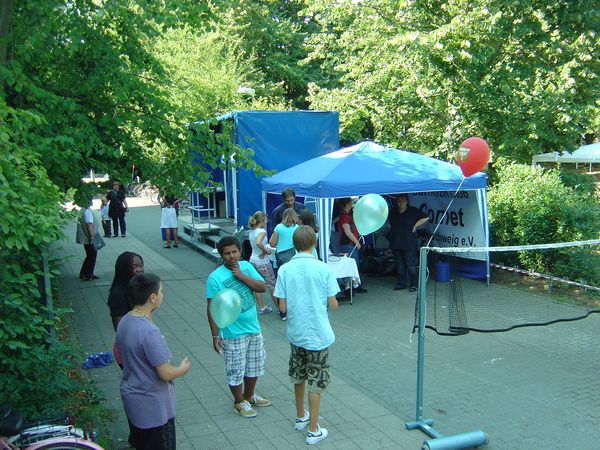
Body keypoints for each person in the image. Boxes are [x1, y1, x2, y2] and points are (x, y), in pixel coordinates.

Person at [274, 226, 339, 445]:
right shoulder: (323, 268)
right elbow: (333, 304)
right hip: (318, 334)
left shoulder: (284, 269)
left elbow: (282, 307)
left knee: (298, 375)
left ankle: (301, 416)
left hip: (296, 332)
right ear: (314, 243)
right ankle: (313, 430)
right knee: (316, 380)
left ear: (294, 244)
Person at [116, 273, 190, 450]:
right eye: (162, 291)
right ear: (153, 297)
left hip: (133, 399)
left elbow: (118, 354)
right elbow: (165, 373)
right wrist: (182, 368)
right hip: (153, 407)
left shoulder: (125, 320)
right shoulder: (149, 331)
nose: (163, 295)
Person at [205, 236, 271, 419]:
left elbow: (262, 287)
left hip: (253, 328)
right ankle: (238, 401)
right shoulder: (214, 278)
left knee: (255, 365)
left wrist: (241, 276)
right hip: (232, 332)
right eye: (227, 253)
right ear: (221, 255)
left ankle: (249, 395)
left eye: (234, 252)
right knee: (235, 369)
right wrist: (214, 335)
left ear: (239, 251)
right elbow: (211, 308)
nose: (232, 256)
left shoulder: (247, 267)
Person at [388, 194, 429, 292]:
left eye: (402, 200)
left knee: (411, 265)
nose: (400, 202)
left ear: (406, 201)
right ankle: (401, 283)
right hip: (396, 243)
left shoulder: (413, 211)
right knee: (400, 265)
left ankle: (414, 284)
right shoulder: (393, 211)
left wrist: (416, 225)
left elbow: (426, 217)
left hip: (409, 243)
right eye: (398, 200)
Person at [247, 211, 277, 315]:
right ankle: (280, 308)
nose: (267, 221)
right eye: (266, 219)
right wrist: (266, 250)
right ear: (262, 220)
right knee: (272, 284)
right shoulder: (261, 231)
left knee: (257, 284)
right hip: (263, 262)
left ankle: (261, 307)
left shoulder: (252, 231)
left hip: (253, 260)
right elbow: (258, 242)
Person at [108, 251, 145, 331]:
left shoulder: (138, 287)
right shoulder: (117, 293)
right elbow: (120, 328)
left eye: (141, 266)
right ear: (124, 269)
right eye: (134, 267)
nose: (139, 270)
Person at [337, 197, 366, 293]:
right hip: (347, 244)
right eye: (350, 202)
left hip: (349, 244)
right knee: (349, 266)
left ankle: (354, 285)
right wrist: (357, 243)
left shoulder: (347, 215)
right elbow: (347, 232)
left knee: (353, 265)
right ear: (347, 204)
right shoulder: (344, 216)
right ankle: (348, 287)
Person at [76, 200, 99, 281]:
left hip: (85, 237)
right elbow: (89, 223)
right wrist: (92, 236)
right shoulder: (87, 211)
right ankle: (88, 274)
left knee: (89, 255)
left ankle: (84, 273)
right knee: (92, 255)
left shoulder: (82, 210)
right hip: (88, 237)